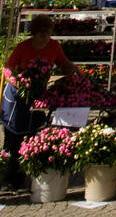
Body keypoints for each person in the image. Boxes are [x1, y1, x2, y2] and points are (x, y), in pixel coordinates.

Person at [1, 16, 78, 190]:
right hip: (16, 96)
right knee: (12, 138)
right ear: (34, 33)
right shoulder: (23, 47)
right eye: (42, 35)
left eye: (49, 34)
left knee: (31, 134)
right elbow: (8, 69)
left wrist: (75, 72)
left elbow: (63, 62)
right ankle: (8, 177)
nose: (46, 38)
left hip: (37, 95)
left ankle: (25, 174)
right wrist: (19, 82)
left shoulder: (54, 46)